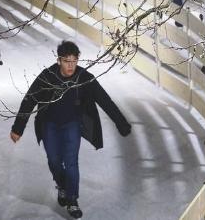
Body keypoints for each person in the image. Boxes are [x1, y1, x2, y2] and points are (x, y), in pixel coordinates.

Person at [10, 41, 131, 219]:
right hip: (49, 124)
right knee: (54, 161)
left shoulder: (83, 77)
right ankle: (62, 187)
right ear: (59, 60)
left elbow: (104, 99)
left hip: (72, 124)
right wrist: (18, 127)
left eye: (74, 61)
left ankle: (72, 200)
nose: (71, 66)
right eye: (67, 61)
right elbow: (30, 99)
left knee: (71, 162)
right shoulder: (48, 76)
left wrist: (121, 123)